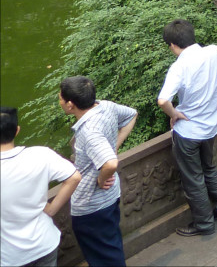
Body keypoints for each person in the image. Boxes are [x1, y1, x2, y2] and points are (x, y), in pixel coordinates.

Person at [156, 20, 217, 238]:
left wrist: (174, 115)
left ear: (172, 45)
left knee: (193, 179)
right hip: (211, 126)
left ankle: (204, 224)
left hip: (188, 133)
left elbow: (163, 100)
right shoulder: (213, 51)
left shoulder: (179, 67)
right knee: (208, 167)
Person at [59, 76, 137, 264]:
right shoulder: (106, 106)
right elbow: (132, 114)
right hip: (110, 197)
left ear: (70, 105)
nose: (59, 101)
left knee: (104, 258)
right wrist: (114, 147)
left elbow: (110, 164)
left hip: (92, 206)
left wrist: (101, 179)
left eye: (60, 98)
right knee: (110, 247)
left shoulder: (89, 130)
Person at [1, 105, 81, 267]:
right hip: (45, 243)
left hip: (10, 255)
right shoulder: (40, 154)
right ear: (17, 130)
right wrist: (52, 209)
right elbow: (74, 177)